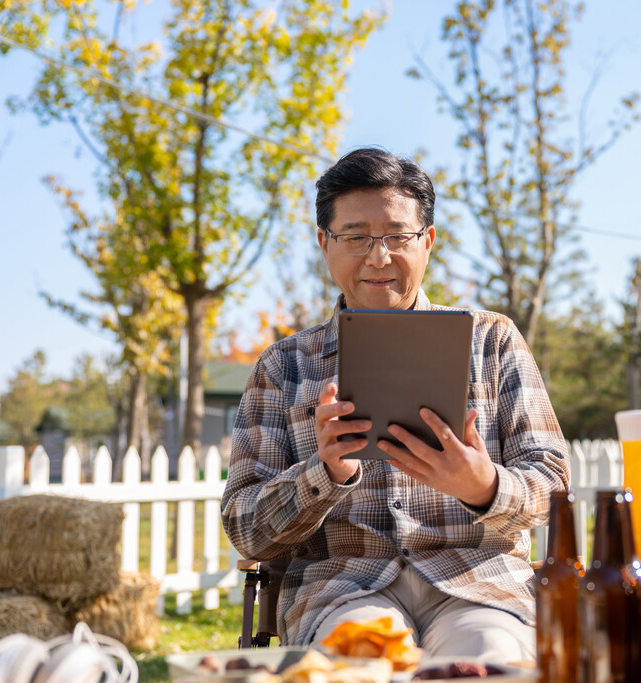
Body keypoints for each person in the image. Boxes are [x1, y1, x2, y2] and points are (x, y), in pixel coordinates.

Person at [221, 147, 570, 663]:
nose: (378, 257)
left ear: (427, 241)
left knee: (488, 657)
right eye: (356, 237)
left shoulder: (492, 340)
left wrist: (484, 486)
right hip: (343, 590)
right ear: (325, 244)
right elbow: (245, 530)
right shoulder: (283, 366)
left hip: (480, 584)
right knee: (366, 660)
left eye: (397, 236)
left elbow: (555, 485)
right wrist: (325, 474)